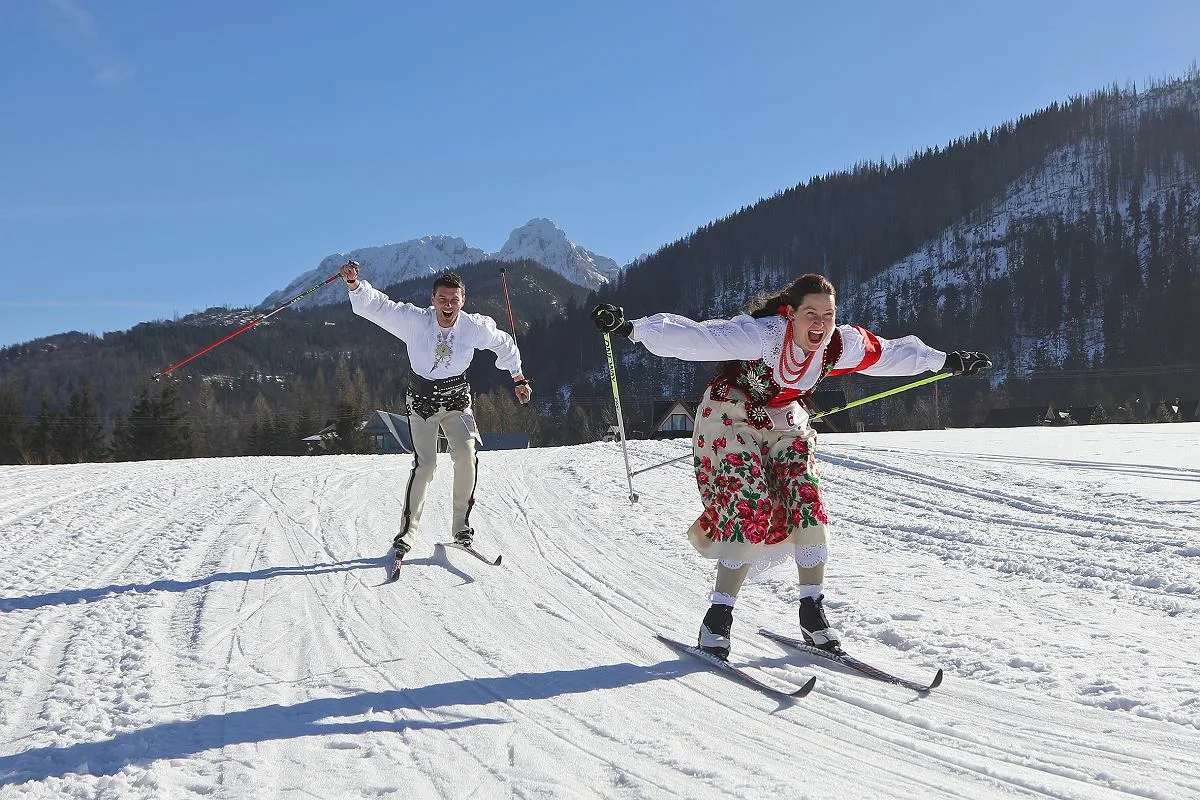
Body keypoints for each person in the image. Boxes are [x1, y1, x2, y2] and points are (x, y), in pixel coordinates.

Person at [591, 273, 990, 659]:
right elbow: (698, 337)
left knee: (807, 501)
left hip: (784, 419)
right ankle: (718, 617)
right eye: (811, 314)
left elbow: (889, 353)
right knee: (751, 505)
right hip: (732, 414)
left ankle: (811, 610)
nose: (820, 324)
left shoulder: (839, 345)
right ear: (791, 314)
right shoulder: (763, 335)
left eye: (828, 315)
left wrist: (945, 361)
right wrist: (631, 328)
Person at [341, 260, 532, 567]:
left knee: (467, 456)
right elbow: (379, 307)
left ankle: (461, 529)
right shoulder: (415, 321)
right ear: (432, 300)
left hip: (458, 402)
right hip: (422, 404)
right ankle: (406, 534)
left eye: (454, 300)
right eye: (442, 299)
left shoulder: (474, 327)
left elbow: (505, 344)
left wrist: (518, 378)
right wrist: (354, 285)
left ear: (463, 301)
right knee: (426, 464)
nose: (448, 305)